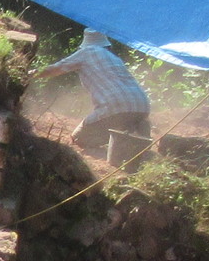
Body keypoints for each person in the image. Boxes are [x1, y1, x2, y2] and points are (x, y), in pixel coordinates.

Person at [35, 30, 153, 162]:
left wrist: (31, 73)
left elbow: (56, 68)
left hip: (116, 106)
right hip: (142, 105)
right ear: (105, 43)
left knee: (78, 138)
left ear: (86, 43)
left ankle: (118, 138)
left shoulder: (87, 52)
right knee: (124, 120)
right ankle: (137, 129)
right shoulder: (115, 58)